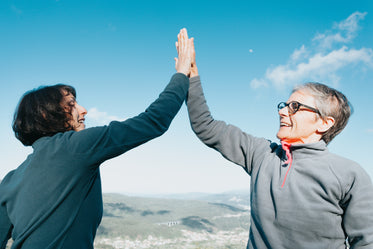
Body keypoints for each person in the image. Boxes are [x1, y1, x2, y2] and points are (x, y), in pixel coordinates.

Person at [0, 28, 193, 249]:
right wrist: (181, 73)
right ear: (45, 114)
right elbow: (153, 121)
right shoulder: (74, 148)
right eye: (71, 104)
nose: (83, 110)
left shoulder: (9, 181)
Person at [183, 32, 373, 248]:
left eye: (295, 107)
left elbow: (366, 242)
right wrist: (191, 76)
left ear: (324, 123)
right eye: (284, 105)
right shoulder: (262, 154)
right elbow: (205, 126)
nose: (283, 112)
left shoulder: (349, 174)